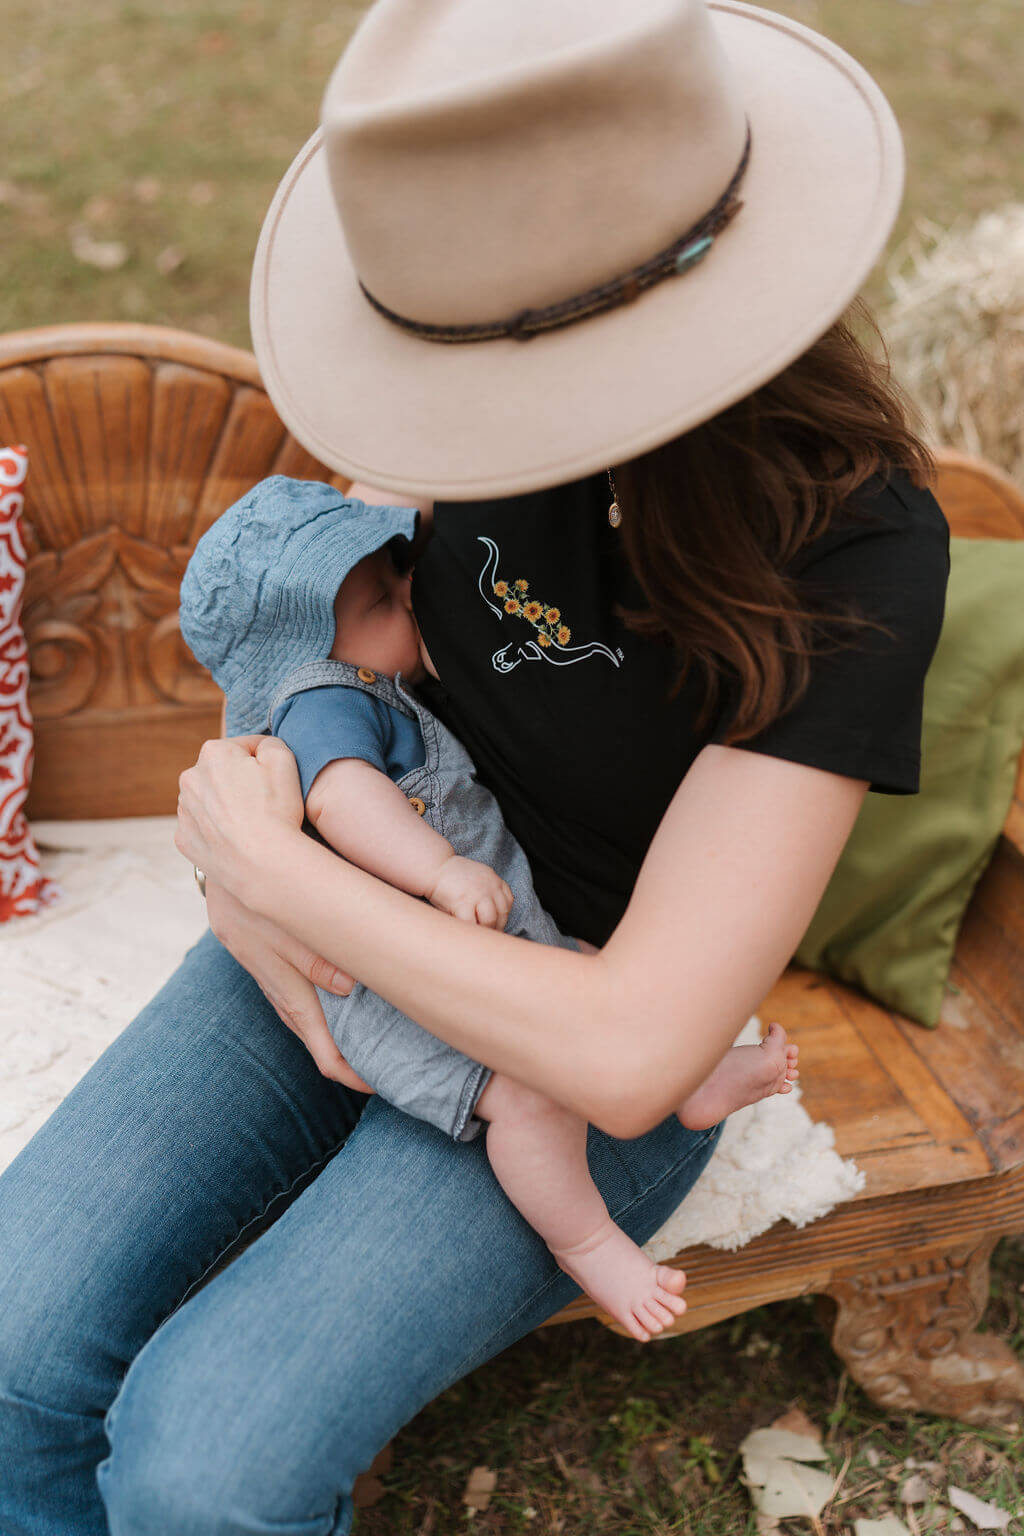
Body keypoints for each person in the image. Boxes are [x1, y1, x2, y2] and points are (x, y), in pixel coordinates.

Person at [0, 1, 949, 1532]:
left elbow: (637, 1042)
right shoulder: (445, 373)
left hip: (566, 1035)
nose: (439, 445)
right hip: (350, 925)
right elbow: (304, 638)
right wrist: (254, 841)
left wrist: (274, 869)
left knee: (202, 1469)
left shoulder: (854, 550)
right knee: (7, 1349)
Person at [177, 481, 800, 1342]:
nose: (413, 599)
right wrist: (436, 872)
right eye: (383, 602)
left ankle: (692, 1081)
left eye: (403, 578)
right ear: (304, 647)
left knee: (579, 983)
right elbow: (343, 801)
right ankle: (585, 1241)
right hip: (388, 981)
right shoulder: (323, 701)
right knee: (528, 1097)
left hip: (471, 936)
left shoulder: (366, 684)